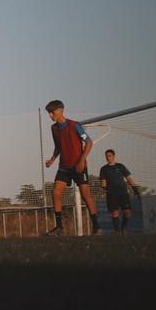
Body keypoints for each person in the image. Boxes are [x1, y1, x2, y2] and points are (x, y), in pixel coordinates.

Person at [44, 100, 101, 235]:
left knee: (85, 195)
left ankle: (96, 226)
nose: (50, 116)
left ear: (59, 111)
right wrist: (52, 159)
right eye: (49, 113)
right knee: (56, 193)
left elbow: (89, 142)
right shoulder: (54, 128)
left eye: (51, 113)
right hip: (64, 167)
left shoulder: (74, 125)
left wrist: (81, 161)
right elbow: (58, 146)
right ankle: (59, 227)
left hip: (78, 166)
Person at [98, 149, 141, 234]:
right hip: (112, 194)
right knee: (115, 213)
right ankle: (117, 231)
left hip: (123, 193)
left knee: (127, 212)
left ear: (114, 156)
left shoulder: (120, 166)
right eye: (106, 156)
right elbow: (103, 183)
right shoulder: (103, 169)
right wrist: (105, 189)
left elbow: (129, 178)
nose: (108, 158)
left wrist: (135, 190)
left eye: (109, 156)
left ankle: (124, 228)